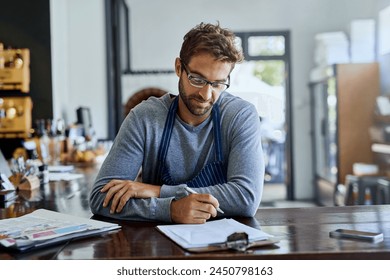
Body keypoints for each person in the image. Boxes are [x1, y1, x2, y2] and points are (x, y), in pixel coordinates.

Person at [90, 22, 264, 224]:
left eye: (217, 84)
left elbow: (246, 197)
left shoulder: (240, 116)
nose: (206, 94)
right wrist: (171, 210)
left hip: (224, 244)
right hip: (158, 244)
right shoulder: (144, 118)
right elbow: (101, 198)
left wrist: (157, 191)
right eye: (197, 79)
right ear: (179, 68)